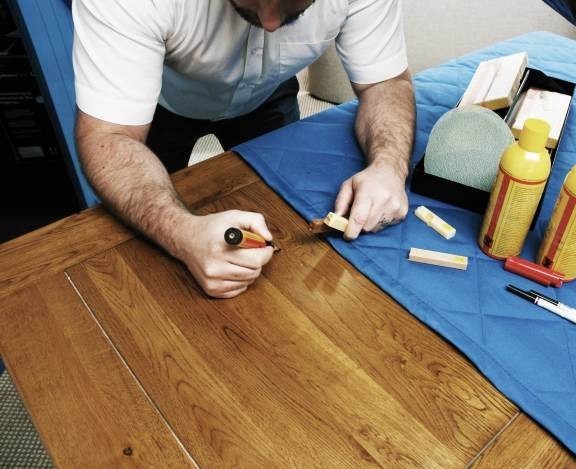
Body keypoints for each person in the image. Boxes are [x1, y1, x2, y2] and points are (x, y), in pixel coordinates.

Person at [72, 0, 416, 298]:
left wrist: (389, 166)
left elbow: (385, 82)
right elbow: (109, 136)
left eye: (294, 3)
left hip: (268, 93)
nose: (270, 22)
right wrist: (183, 232)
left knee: (283, 214)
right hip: (164, 105)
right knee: (149, 247)